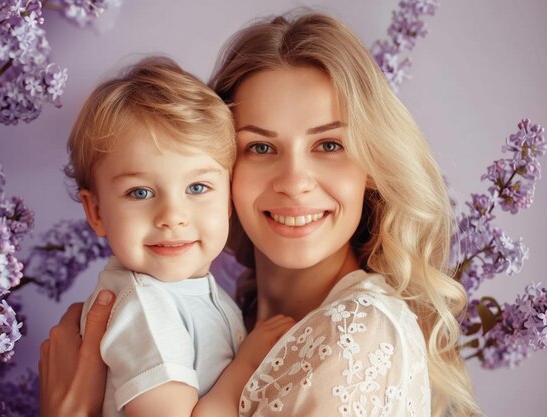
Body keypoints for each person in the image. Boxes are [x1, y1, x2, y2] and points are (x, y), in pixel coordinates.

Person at [39, 11, 483, 417]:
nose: (294, 180)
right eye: (261, 147)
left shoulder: (358, 334)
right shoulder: (229, 314)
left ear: (371, 166)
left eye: (328, 145)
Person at [62, 57, 295, 417]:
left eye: (198, 187)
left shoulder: (191, 292)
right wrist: (247, 365)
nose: (172, 216)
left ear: (229, 197)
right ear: (96, 212)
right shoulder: (143, 307)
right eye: (140, 193)